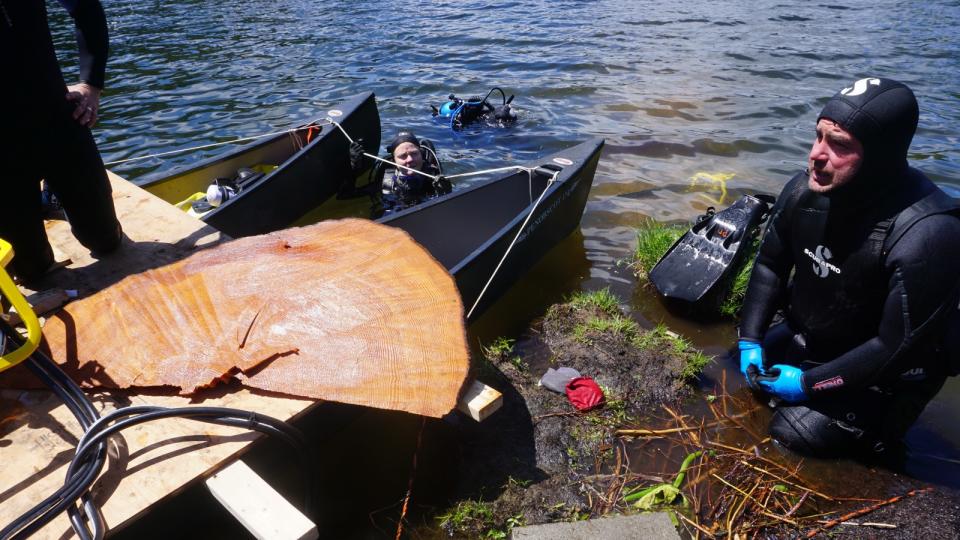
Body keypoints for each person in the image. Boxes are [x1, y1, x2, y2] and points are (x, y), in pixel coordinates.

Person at [736, 77, 960, 465]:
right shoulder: (804, 191)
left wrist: (806, 384)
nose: (816, 155)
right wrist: (750, 340)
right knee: (738, 374)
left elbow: (894, 348)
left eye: (838, 144)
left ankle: (882, 439)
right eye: (818, 136)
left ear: (881, 156)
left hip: (885, 375)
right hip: (818, 336)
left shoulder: (930, 233)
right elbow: (771, 265)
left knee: (793, 434)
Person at [0, 0, 122, 284]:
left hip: (55, 120)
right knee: (32, 271)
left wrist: (91, 84)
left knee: (105, 241)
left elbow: (86, 7)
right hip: (4, 151)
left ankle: (52, 194)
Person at [344, 131, 451, 217]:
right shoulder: (386, 182)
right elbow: (346, 195)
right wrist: (354, 167)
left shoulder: (433, 179)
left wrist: (446, 193)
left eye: (414, 153)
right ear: (394, 160)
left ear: (421, 154)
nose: (410, 159)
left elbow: (448, 212)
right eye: (403, 156)